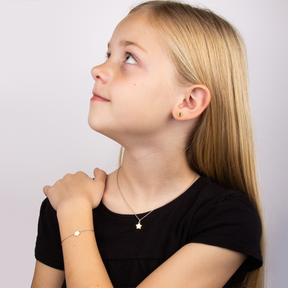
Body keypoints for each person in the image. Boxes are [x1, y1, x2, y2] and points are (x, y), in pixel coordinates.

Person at [31, 1, 264, 287]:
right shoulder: (63, 202)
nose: (97, 69)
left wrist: (74, 218)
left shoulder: (226, 218)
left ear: (188, 102)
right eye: (108, 54)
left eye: (129, 58)